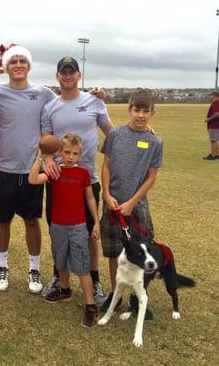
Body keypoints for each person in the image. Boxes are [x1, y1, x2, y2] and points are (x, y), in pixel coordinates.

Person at [40, 56, 113, 307]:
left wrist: (142, 131)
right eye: (63, 72)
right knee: (57, 229)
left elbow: (111, 133)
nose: (68, 76)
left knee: (90, 234)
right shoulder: (50, 107)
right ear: (57, 75)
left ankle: (94, 280)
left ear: (79, 75)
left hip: (87, 179)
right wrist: (48, 160)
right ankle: (60, 280)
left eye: (72, 72)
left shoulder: (94, 100)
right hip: (59, 181)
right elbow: (46, 144)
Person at [0, 44, 58, 294]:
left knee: (32, 221)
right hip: (3, 169)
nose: (18, 65)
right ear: (6, 66)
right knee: (3, 220)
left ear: (28, 66)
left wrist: (95, 96)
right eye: (13, 61)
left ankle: (34, 268)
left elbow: (65, 104)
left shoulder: (43, 93)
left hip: (32, 170)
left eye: (22, 61)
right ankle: (2, 266)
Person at [99, 89, 163, 310]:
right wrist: (107, 195)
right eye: (137, 110)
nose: (141, 115)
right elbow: (106, 166)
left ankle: (138, 298)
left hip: (138, 206)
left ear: (152, 113)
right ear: (129, 109)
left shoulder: (155, 142)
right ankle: (114, 296)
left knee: (144, 251)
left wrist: (133, 202)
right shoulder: (115, 135)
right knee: (113, 252)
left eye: (146, 111)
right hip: (113, 204)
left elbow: (151, 176)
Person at [29, 134, 100, 327]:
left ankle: (91, 305)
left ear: (80, 154)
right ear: (60, 152)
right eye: (67, 152)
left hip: (78, 227)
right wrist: (41, 157)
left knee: (82, 266)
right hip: (58, 226)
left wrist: (95, 222)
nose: (70, 157)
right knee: (61, 261)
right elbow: (33, 179)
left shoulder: (83, 173)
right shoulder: (54, 172)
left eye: (75, 153)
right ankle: (65, 290)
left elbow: (90, 199)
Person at [203, 91, 219, 160]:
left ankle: (214, 155)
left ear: (215, 96)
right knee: (215, 140)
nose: (210, 97)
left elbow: (217, 114)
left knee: (213, 140)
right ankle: (216, 154)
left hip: (214, 125)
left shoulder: (216, 103)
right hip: (216, 125)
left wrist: (208, 119)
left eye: (211, 95)